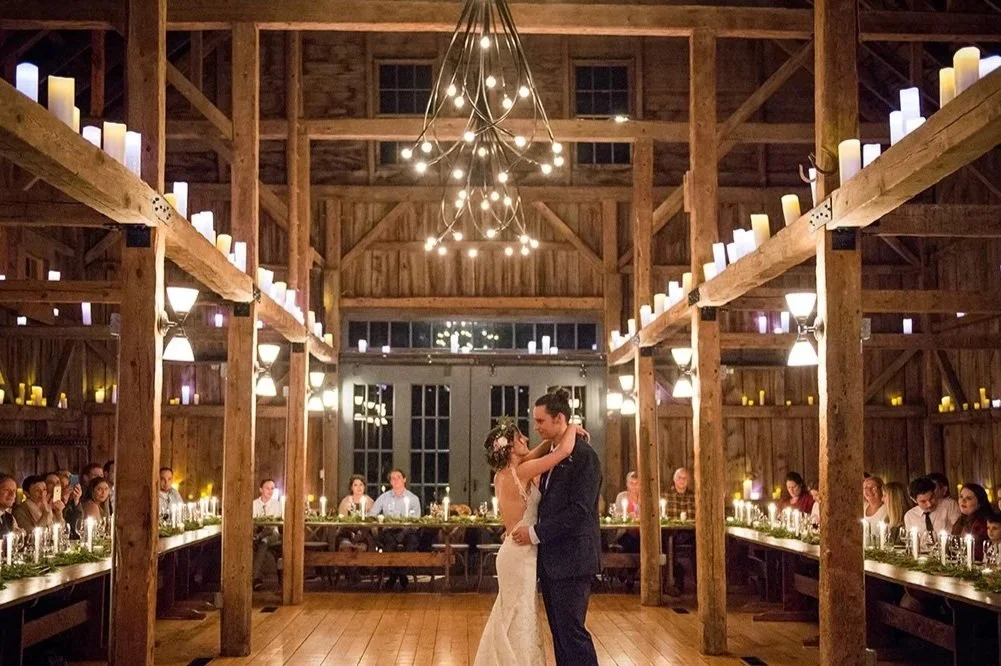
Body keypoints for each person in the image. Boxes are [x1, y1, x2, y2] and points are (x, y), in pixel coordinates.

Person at [475, 397, 588, 666]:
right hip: (520, 553)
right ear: (510, 448)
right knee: (519, 612)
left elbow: (542, 448)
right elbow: (561, 453)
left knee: (512, 612)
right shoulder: (523, 471)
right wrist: (571, 427)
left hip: (513, 551)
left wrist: (557, 432)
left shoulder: (506, 473)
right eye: (519, 437)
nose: (526, 437)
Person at [510, 388, 601, 666]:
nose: (536, 427)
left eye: (540, 421)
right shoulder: (555, 452)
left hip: (573, 559)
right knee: (560, 634)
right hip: (552, 561)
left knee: (573, 633)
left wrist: (535, 534)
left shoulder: (584, 456)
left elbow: (580, 511)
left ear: (559, 418)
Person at [371, 470, 422, 590]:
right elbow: (372, 514)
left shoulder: (413, 498)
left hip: (408, 531)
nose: (396, 480)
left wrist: (405, 531)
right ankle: (398, 574)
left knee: (411, 543)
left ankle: (397, 575)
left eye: (398, 477)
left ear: (404, 479)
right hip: (390, 530)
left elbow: (416, 521)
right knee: (389, 544)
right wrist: (380, 519)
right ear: (390, 482)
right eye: (392, 478)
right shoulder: (384, 498)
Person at [664, 467, 696, 596]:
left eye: (685, 478)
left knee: (698, 546)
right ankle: (676, 582)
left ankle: (698, 583)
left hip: (690, 532)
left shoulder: (693, 495)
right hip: (672, 531)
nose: (682, 481)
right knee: (670, 546)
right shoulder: (666, 495)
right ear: (674, 479)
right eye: (679, 478)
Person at [252, 479, 282, 589]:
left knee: (264, 538)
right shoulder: (254, 504)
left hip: (272, 533)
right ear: (261, 489)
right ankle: (256, 578)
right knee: (258, 544)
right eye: (267, 488)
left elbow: (274, 522)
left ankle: (254, 577)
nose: (270, 491)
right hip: (257, 531)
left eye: (272, 488)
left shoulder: (277, 504)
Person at [952, 483, 992, 559]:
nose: (963, 501)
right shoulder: (961, 519)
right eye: (961, 497)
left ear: (979, 503)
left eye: (969, 498)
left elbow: (977, 554)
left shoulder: (983, 523)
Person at [336, 475, 375, 553]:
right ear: (351, 487)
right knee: (346, 547)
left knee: (360, 549)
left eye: (361, 485)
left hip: (364, 533)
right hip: (347, 531)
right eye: (355, 485)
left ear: (364, 487)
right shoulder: (345, 501)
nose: (359, 488)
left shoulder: (370, 502)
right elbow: (342, 521)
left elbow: (372, 521)